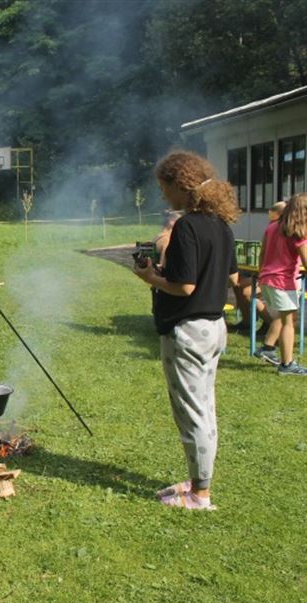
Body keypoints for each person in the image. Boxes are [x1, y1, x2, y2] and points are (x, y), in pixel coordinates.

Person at [132, 150, 239, 511]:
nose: (163, 194)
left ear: (181, 185)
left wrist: (150, 277)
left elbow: (185, 286)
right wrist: (164, 272)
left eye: (164, 187)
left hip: (189, 331)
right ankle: (197, 483)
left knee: (193, 414)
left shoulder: (188, 226)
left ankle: (200, 495)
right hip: (214, 328)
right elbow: (229, 276)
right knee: (204, 408)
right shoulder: (221, 224)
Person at [253, 193, 307, 375]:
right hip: (283, 281)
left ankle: (268, 348)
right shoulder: (297, 232)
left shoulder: (272, 227)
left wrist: (262, 274)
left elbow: (262, 254)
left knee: (285, 318)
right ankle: (287, 364)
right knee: (288, 322)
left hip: (267, 279)